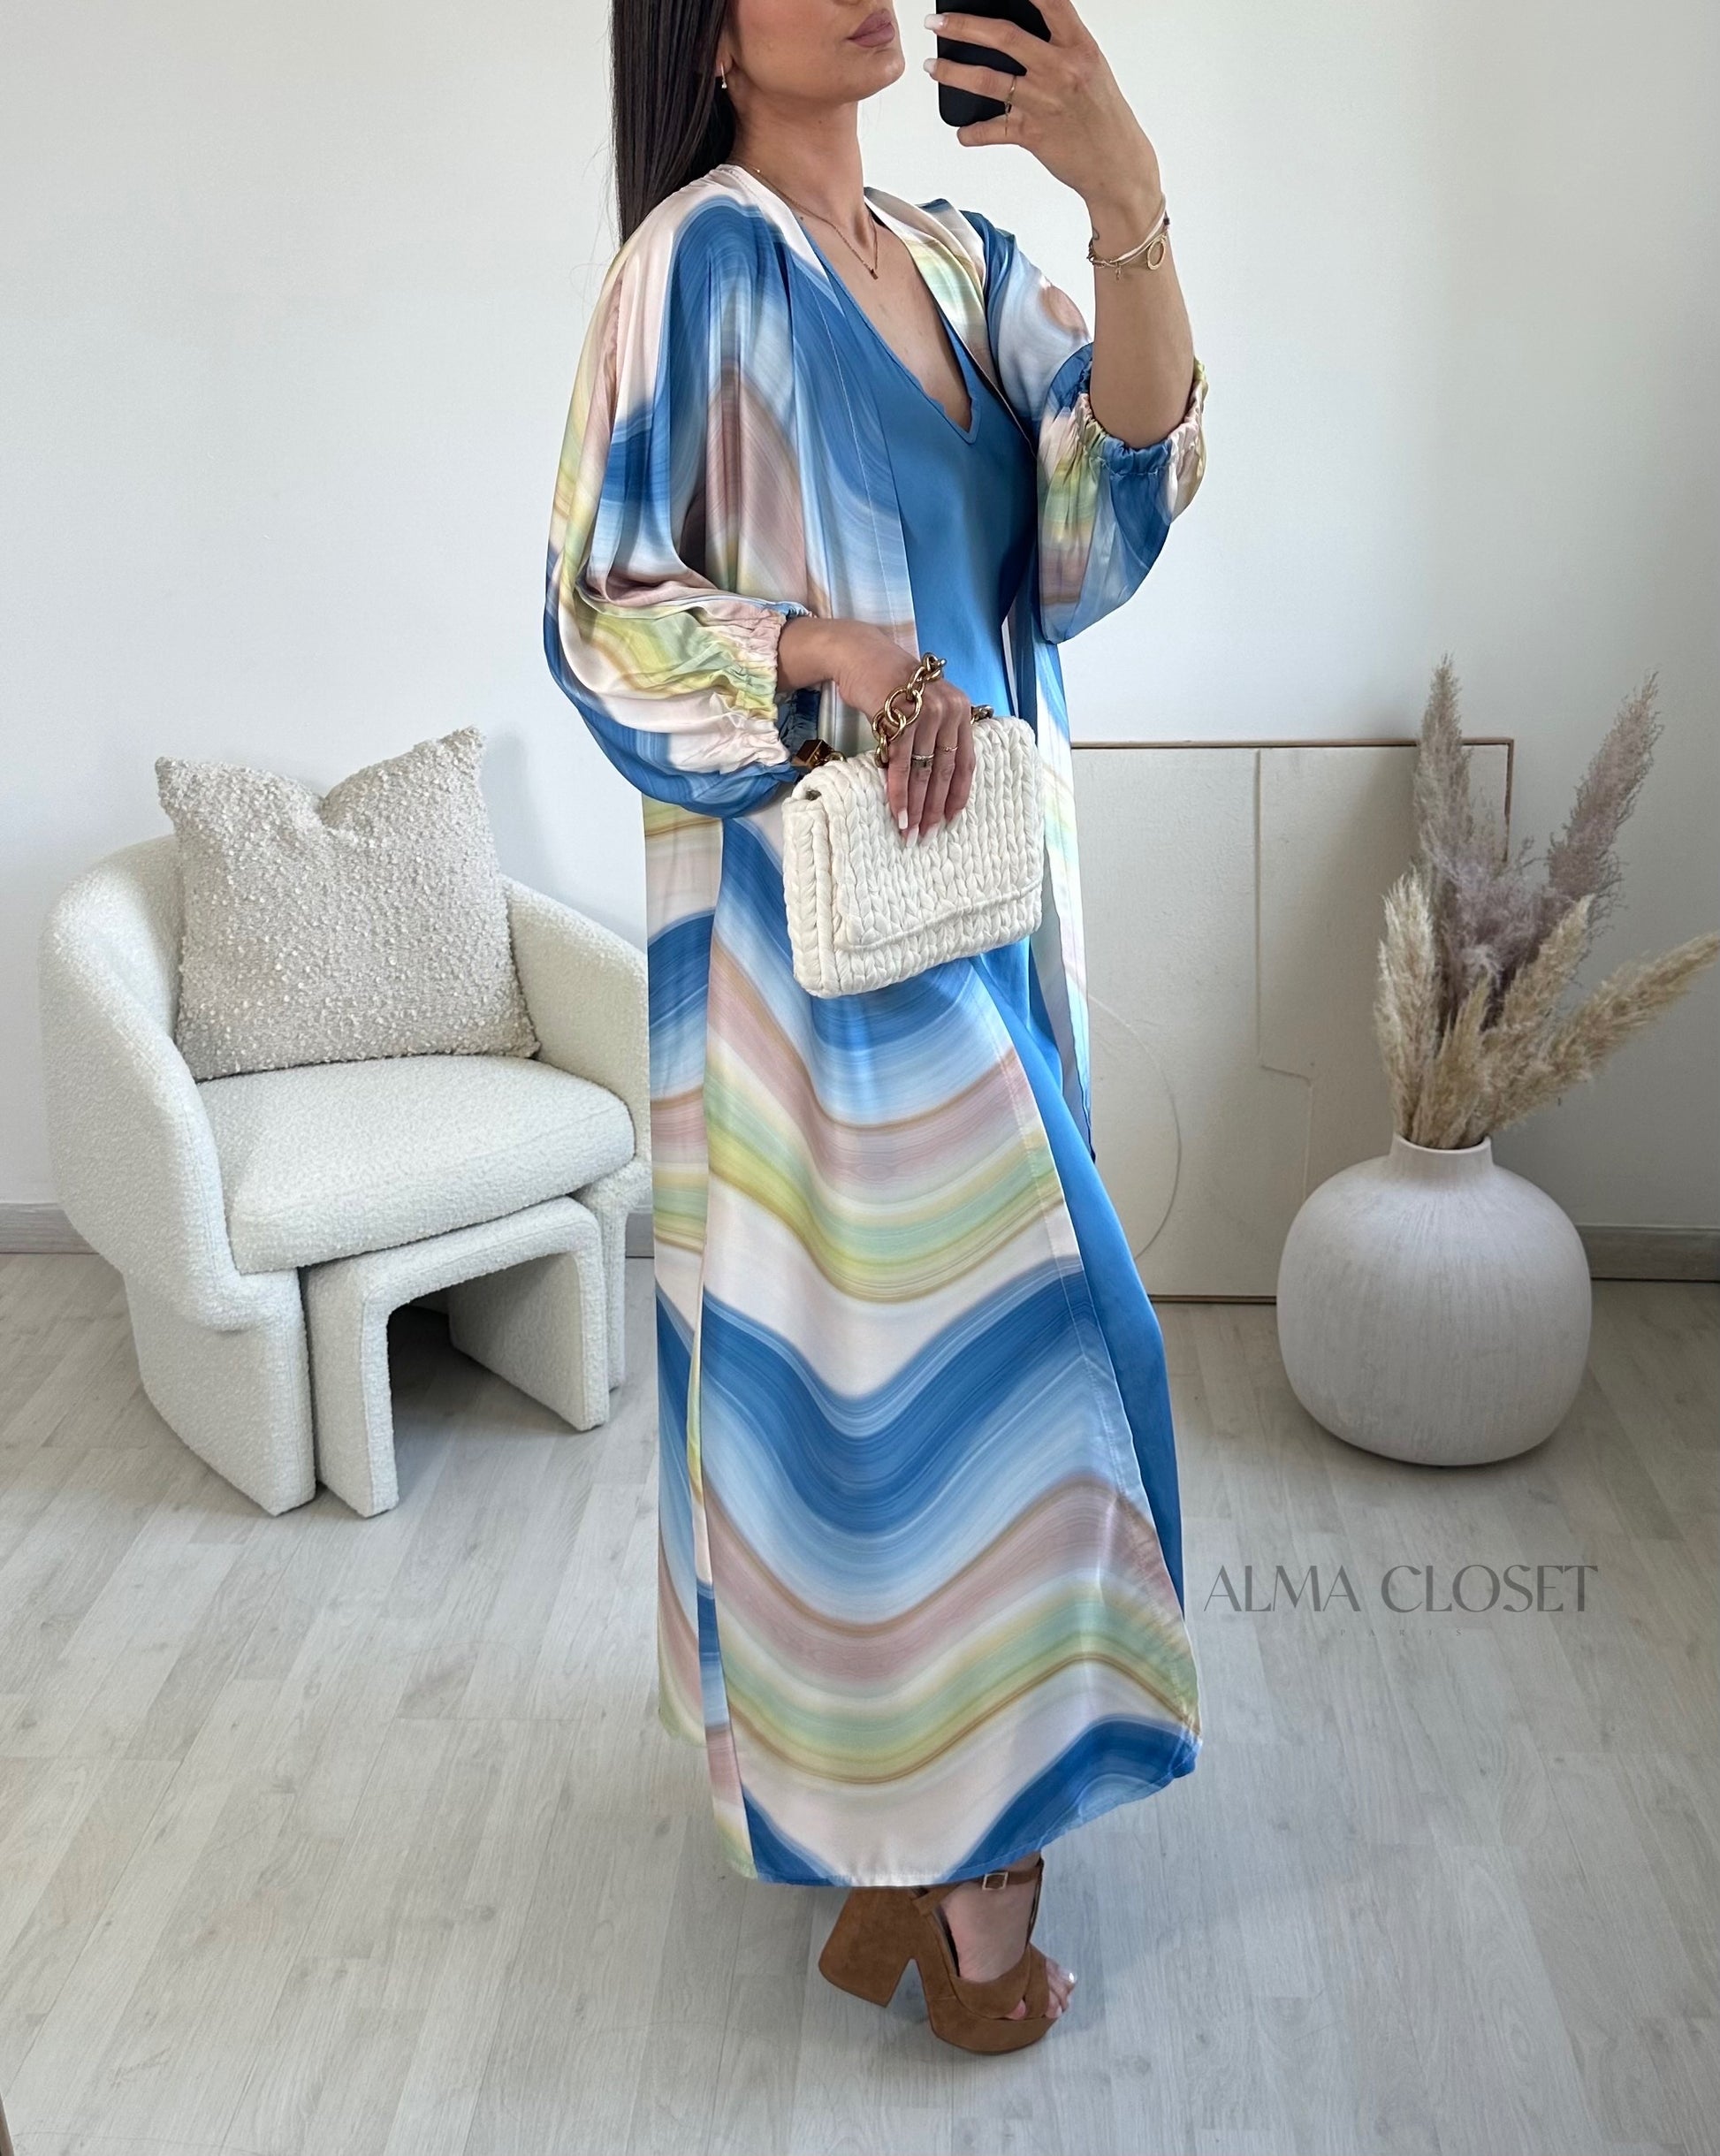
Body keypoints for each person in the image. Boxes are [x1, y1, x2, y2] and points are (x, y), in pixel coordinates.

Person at [544, 0, 1206, 2053]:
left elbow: (1100, 524)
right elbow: (596, 605)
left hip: (989, 910)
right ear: (706, 35)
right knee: (935, 1394)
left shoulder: (954, 256)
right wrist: (813, 643)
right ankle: (965, 1901)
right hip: (807, 969)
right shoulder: (690, 267)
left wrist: (1121, 196)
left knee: (954, 1394)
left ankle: (904, 1861)